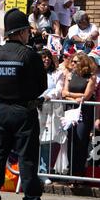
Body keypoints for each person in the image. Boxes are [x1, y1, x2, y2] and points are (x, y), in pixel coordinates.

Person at [0, 8, 52, 200]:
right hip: (23, 111)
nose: (29, 34)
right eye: (27, 31)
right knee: (27, 156)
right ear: (21, 32)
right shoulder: (29, 55)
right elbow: (41, 85)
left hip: (0, 111)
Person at [62, 52, 97, 177]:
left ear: (83, 62)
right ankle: (71, 172)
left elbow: (86, 95)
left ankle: (79, 173)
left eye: (75, 61)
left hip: (84, 112)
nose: (72, 63)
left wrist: (71, 95)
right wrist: (73, 98)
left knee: (81, 140)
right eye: (72, 61)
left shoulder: (91, 77)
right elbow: (63, 92)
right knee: (71, 140)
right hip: (71, 110)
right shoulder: (70, 75)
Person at [38, 49, 65, 182]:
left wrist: (48, 96)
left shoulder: (58, 73)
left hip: (50, 110)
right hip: (35, 109)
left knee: (46, 141)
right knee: (34, 140)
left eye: (48, 57)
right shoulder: (33, 73)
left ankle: (43, 171)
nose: (46, 59)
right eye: (43, 57)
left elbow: (59, 89)